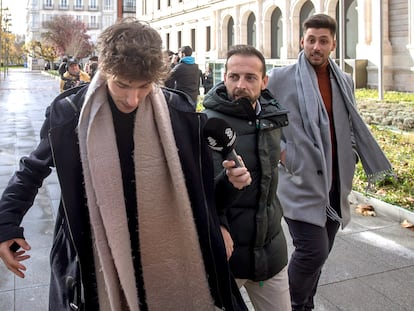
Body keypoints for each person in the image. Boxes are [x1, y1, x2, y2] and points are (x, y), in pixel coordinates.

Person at [0, 18, 249, 311]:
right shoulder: (70, 114)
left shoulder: (179, 113)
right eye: (122, 85)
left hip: (165, 258)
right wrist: (6, 222)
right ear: (104, 70)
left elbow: (198, 189)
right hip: (93, 261)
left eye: (144, 87)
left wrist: (223, 211)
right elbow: (32, 169)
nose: (132, 99)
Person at [267, 14, 392, 311]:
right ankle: (291, 305)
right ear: (302, 41)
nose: (316, 47)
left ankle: (305, 303)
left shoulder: (344, 79)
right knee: (312, 251)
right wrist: (286, 156)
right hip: (299, 182)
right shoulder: (281, 77)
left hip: (335, 182)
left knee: (321, 254)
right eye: (311, 40)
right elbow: (265, 123)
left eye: (323, 41)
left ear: (333, 44)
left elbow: (348, 123)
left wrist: (351, 151)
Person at [203, 44, 292, 311]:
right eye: (234, 76)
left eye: (250, 77)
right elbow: (197, 188)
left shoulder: (272, 119)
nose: (241, 84)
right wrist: (218, 225)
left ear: (264, 82)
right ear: (224, 78)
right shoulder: (206, 124)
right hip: (228, 256)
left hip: (271, 253)